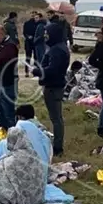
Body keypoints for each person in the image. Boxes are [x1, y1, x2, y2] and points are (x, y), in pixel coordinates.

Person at [38, 19, 70, 155]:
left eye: (47, 33)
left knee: (56, 118)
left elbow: (53, 69)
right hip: (54, 85)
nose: (45, 36)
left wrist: (38, 71)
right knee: (56, 118)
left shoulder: (57, 49)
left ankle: (58, 148)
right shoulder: (58, 46)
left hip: (53, 86)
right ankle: (57, 145)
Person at [22, 12, 39, 77]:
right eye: (32, 14)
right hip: (28, 42)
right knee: (28, 58)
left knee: (36, 58)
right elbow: (24, 32)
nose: (33, 16)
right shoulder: (27, 23)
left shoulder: (37, 23)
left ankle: (35, 72)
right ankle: (26, 72)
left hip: (35, 42)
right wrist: (27, 36)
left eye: (34, 15)